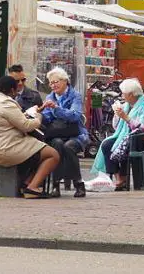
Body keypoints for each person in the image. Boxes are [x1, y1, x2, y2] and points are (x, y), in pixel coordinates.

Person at [0, 75, 60, 198]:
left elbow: (12, 118)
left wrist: (37, 110)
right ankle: (32, 188)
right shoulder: (6, 103)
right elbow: (26, 125)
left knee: (39, 152)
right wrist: (38, 118)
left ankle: (27, 184)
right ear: (12, 90)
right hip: (7, 147)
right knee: (53, 155)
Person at [92, 78, 144, 190]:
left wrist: (126, 118)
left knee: (126, 145)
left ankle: (124, 178)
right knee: (107, 144)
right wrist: (118, 115)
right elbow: (117, 127)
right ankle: (119, 178)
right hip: (128, 137)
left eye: (124, 93)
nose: (122, 95)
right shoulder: (127, 105)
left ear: (131, 94)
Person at [41, 67, 88, 198]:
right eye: (50, 83)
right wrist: (40, 113)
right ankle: (55, 185)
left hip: (76, 134)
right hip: (58, 134)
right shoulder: (50, 97)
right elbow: (47, 118)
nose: (53, 85)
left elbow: (75, 115)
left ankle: (78, 184)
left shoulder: (75, 96)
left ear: (65, 81)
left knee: (69, 147)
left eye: (56, 81)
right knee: (56, 145)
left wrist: (56, 109)